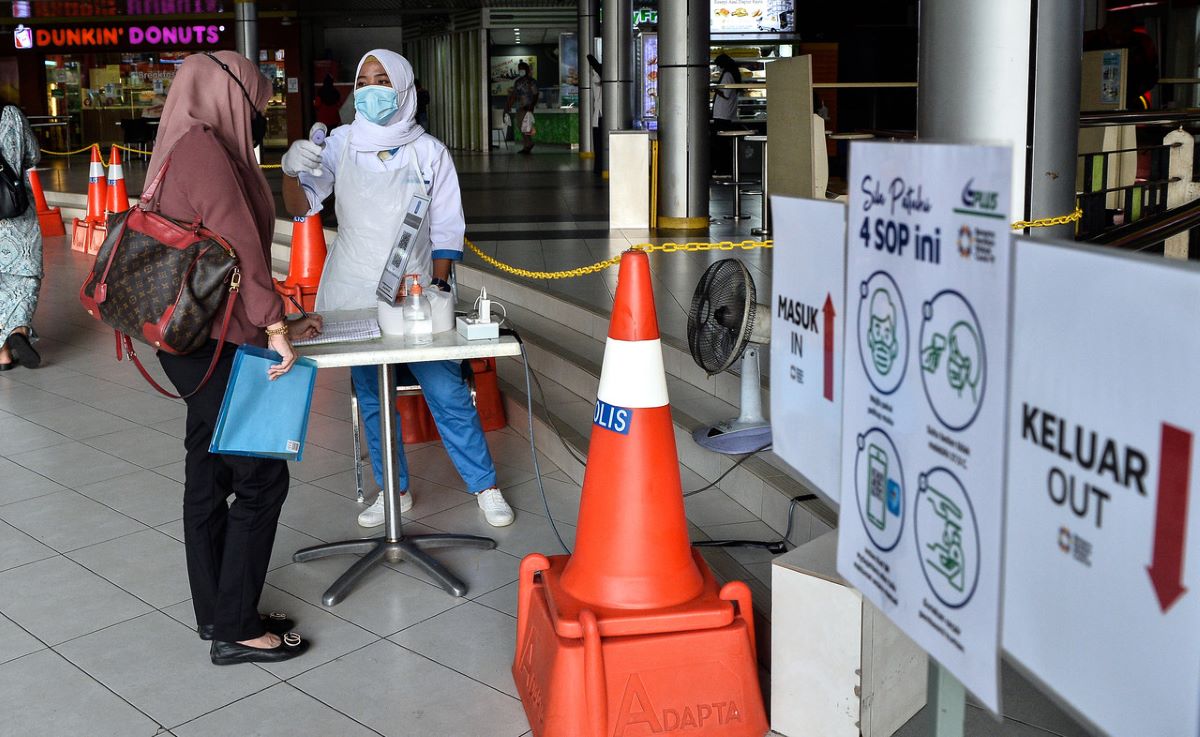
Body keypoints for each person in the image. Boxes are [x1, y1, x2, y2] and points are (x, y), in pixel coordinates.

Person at [280, 49, 515, 529]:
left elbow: (448, 229)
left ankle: (484, 485)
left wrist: (439, 288)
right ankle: (394, 490)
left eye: (382, 79)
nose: (371, 89)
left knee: (446, 389)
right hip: (353, 290)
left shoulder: (429, 151)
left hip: (416, 293)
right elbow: (302, 205)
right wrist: (289, 169)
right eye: (363, 80)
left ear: (404, 86)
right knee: (372, 395)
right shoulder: (340, 143)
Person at [149, 51, 322, 666]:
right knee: (259, 482)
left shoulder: (180, 143)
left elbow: (216, 255)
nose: (263, 111)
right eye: (257, 100)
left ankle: (218, 613)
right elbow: (241, 245)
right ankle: (238, 629)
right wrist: (275, 326)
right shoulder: (204, 149)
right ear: (228, 94)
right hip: (218, 346)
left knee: (210, 475)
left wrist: (280, 314)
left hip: (192, 344)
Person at [0, 104, 42, 371]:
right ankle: (18, 330)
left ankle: (3, 354)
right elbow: (33, 155)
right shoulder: (9, 114)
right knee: (25, 274)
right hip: (15, 209)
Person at [710, 53, 743, 176]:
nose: (718, 68)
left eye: (718, 65)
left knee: (721, 143)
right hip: (725, 114)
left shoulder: (727, 75)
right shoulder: (731, 74)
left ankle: (723, 169)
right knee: (722, 143)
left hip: (723, 115)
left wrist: (716, 89)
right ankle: (724, 168)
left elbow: (726, 93)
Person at [505, 60, 539, 154]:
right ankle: (528, 144)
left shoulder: (532, 81)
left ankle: (528, 145)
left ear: (526, 70)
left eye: (522, 69)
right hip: (520, 107)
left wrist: (531, 106)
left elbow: (536, 94)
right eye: (519, 69)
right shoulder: (518, 82)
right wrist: (509, 105)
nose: (520, 71)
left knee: (525, 126)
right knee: (521, 126)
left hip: (527, 107)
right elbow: (514, 95)